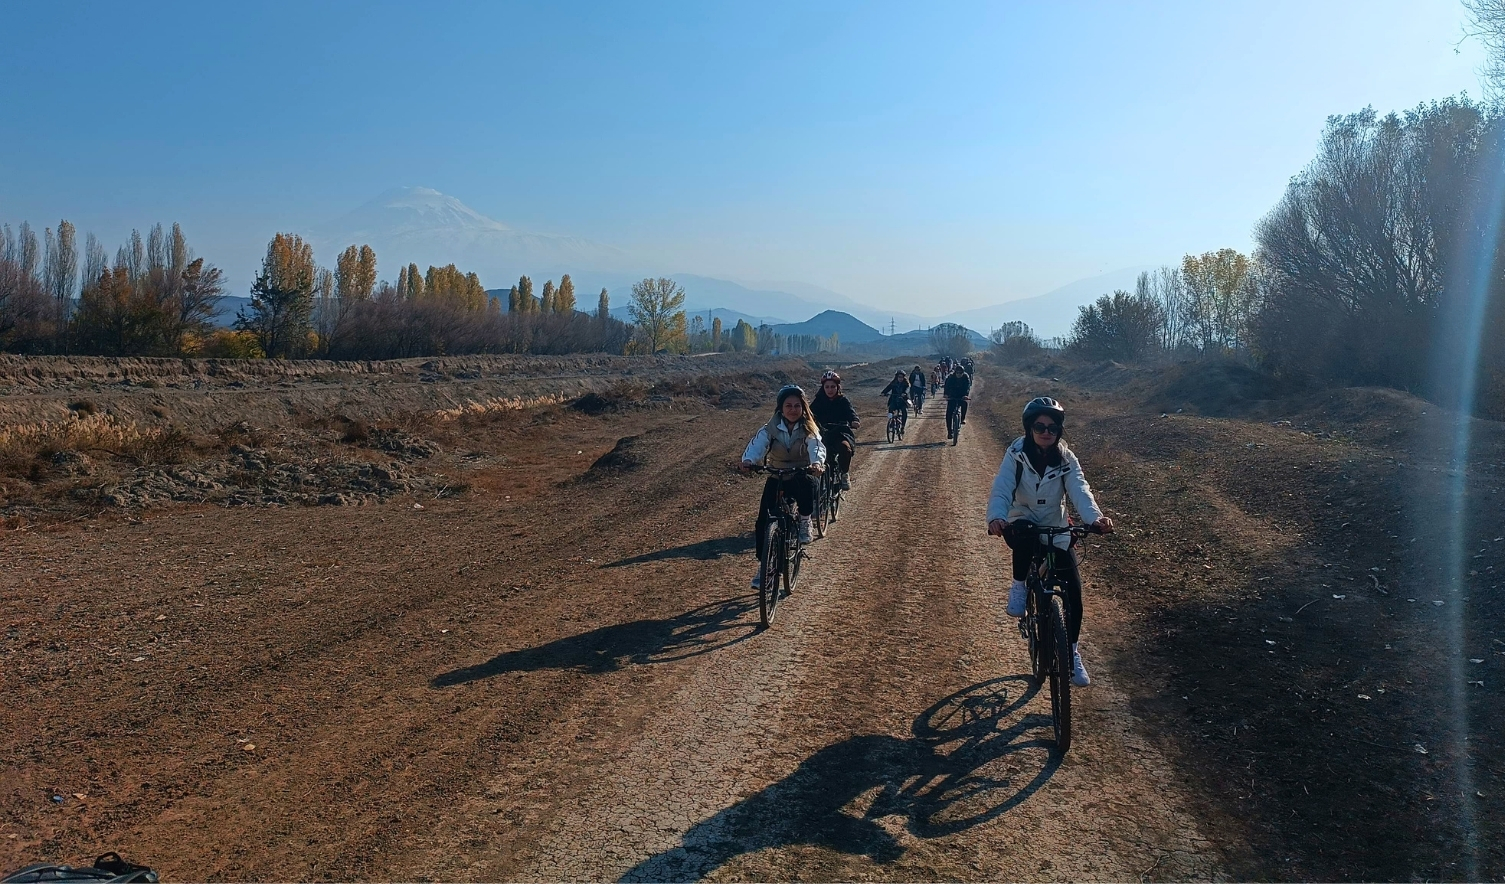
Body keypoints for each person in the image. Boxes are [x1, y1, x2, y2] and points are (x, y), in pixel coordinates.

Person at [985, 397, 1114, 687]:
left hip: (1056, 526)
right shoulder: (1016, 454)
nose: (1046, 432)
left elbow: (1080, 489)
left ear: (1059, 431)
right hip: (1023, 520)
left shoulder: (1066, 458)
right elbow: (1002, 488)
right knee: (1026, 533)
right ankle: (1019, 588)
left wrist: (1095, 518)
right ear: (1029, 428)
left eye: (1053, 427)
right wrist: (996, 517)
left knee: (1074, 591)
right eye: (1040, 426)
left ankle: (1071, 651)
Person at [739, 385, 826, 589]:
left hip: (801, 472)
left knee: (808, 484)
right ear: (781, 408)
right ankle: (764, 567)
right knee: (763, 521)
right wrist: (748, 460)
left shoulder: (809, 428)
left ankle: (805, 521)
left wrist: (817, 463)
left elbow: (817, 447)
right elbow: (757, 445)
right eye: (788, 405)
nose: (793, 409)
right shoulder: (769, 428)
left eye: (797, 405)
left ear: (803, 408)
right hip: (777, 475)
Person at [810, 370, 859, 490]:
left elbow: (851, 412)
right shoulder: (818, 401)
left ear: (838, 387)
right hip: (822, 434)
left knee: (845, 448)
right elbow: (809, 414)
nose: (830, 389)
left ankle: (844, 474)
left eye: (833, 386)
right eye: (827, 387)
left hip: (840, 433)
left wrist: (854, 420)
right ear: (823, 388)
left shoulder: (843, 401)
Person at [943, 365, 971, 438]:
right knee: (949, 414)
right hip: (952, 395)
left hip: (962, 395)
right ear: (955, 372)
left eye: (960, 373)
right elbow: (947, 386)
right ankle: (949, 431)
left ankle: (962, 418)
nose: (959, 374)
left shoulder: (966, 377)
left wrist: (966, 395)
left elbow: (967, 387)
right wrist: (946, 394)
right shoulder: (951, 377)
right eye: (957, 372)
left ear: (963, 372)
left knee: (964, 403)